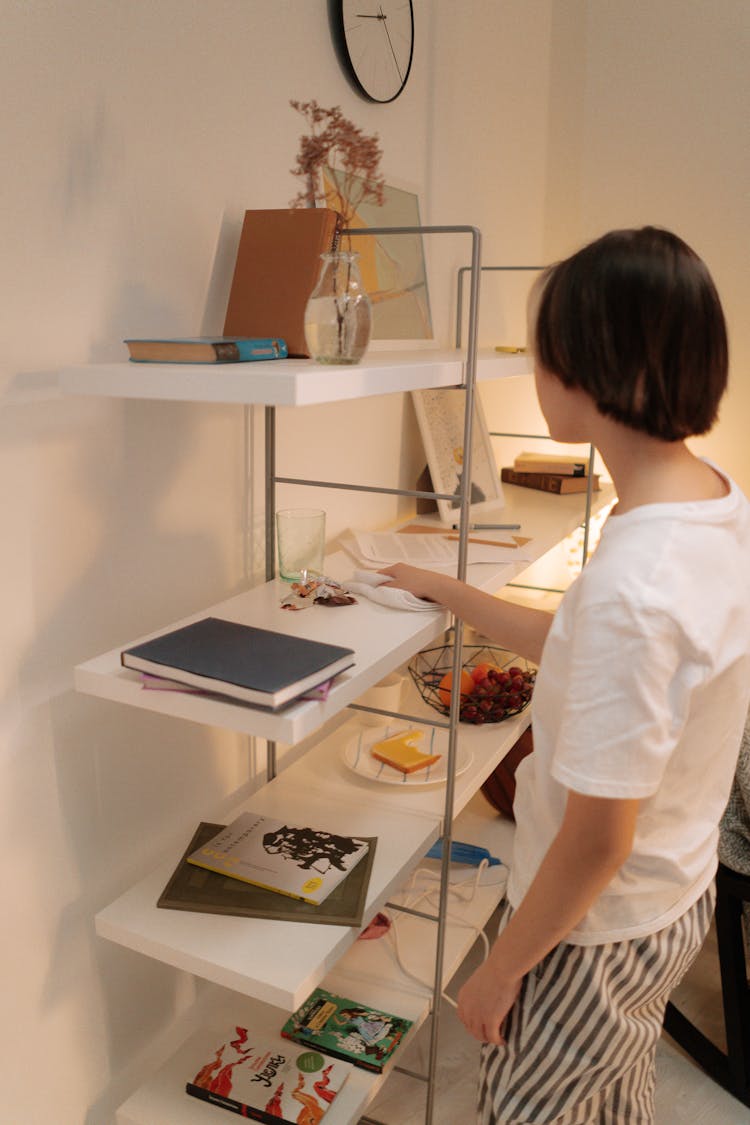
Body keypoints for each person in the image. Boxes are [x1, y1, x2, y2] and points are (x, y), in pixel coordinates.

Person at [380, 227, 750, 1123]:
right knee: (610, 1096)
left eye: (546, 352)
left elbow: (596, 840)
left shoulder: (636, 586)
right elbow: (587, 647)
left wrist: (499, 971)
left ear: (595, 369)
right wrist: (448, 590)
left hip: (591, 927)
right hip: (673, 889)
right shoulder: (712, 501)